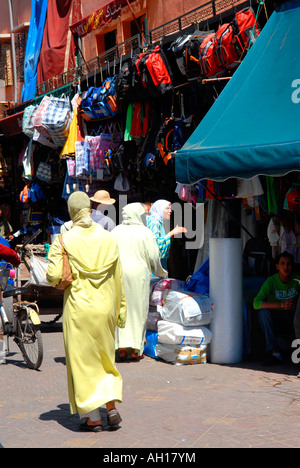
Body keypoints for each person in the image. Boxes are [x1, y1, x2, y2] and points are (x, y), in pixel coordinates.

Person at [46, 191, 126, 432]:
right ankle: (110, 406)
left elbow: (52, 276)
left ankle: (93, 418)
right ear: (90, 209)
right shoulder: (109, 238)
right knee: (105, 359)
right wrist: (120, 309)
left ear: (71, 212)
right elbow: (118, 279)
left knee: (83, 363)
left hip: (79, 309)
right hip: (106, 308)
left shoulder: (64, 240)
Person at [112, 203, 167, 360]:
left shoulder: (115, 231)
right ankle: (136, 351)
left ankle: (121, 349)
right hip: (139, 277)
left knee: (121, 310)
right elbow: (153, 256)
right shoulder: (145, 232)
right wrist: (161, 272)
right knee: (138, 311)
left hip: (119, 275)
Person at [253, 251, 300, 365]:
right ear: (277, 266)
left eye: (288, 264)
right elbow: (256, 303)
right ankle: (274, 352)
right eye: (282, 263)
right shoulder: (271, 282)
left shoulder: (297, 280)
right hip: (276, 318)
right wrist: (281, 305)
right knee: (262, 313)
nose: (286, 267)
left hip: (293, 317)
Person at [147, 199, 187, 270]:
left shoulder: (158, 222)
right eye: (167, 208)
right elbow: (156, 246)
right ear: (160, 209)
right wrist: (172, 233)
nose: (170, 211)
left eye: (170, 209)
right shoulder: (154, 222)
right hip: (154, 268)